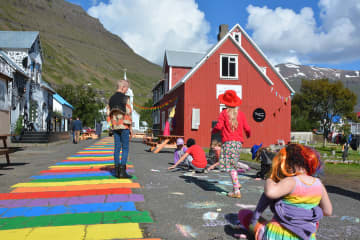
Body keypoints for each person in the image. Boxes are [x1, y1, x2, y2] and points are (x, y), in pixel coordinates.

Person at [238, 144, 333, 240]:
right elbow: (328, 211)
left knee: (245, 214)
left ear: (288, 164)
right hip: (306, 237)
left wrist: (270, 180)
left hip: (277, 236)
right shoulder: (319, 184)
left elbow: (270, 193)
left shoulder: (292, 181)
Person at [211, 90, 251, 198]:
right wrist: (248, 134)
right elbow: (247, 128)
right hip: (238, 143)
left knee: (231, 166)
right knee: (233, 163)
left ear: (225, 103)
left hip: (228, 142)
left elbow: (219, 126)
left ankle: (236, 191)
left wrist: (213, 130)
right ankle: (237, 184)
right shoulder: (241, 114)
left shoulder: (224, 113)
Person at [107, 79, 132, 178]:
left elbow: (108, 113)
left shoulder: (111, 99)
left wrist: (111, 125)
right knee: (125, 148)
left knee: (117, 148)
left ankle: (116, 171)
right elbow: (128, 112)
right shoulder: (125, 98)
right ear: (123, 87)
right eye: (127, 89)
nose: (127, 91)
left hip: (115, 126)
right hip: (124, 125)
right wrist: (130, 127)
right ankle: (122, 172)